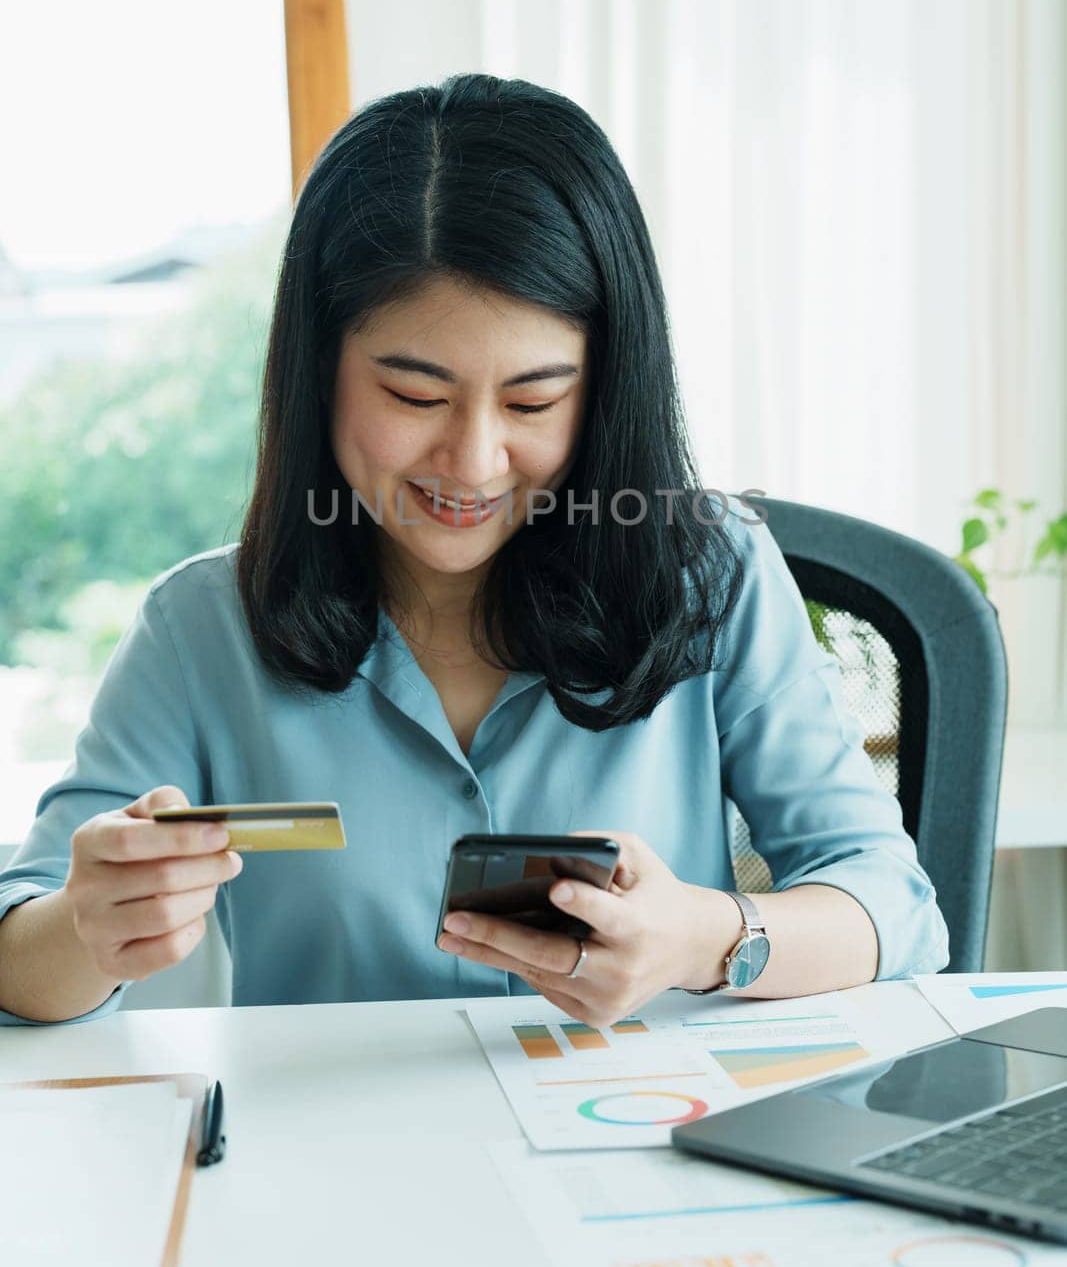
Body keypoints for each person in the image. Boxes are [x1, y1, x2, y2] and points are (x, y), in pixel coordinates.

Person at [0, 73, 948, 1028]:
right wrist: (87, 928)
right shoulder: (202, 628)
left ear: (606, 386)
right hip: (332, 1159)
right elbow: (14, 953)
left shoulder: (715, 576)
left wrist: (704, 938)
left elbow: (892, 910)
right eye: (414, 396)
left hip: (648, 1148)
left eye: (534, 401)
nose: (473, 460)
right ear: (318, 369)